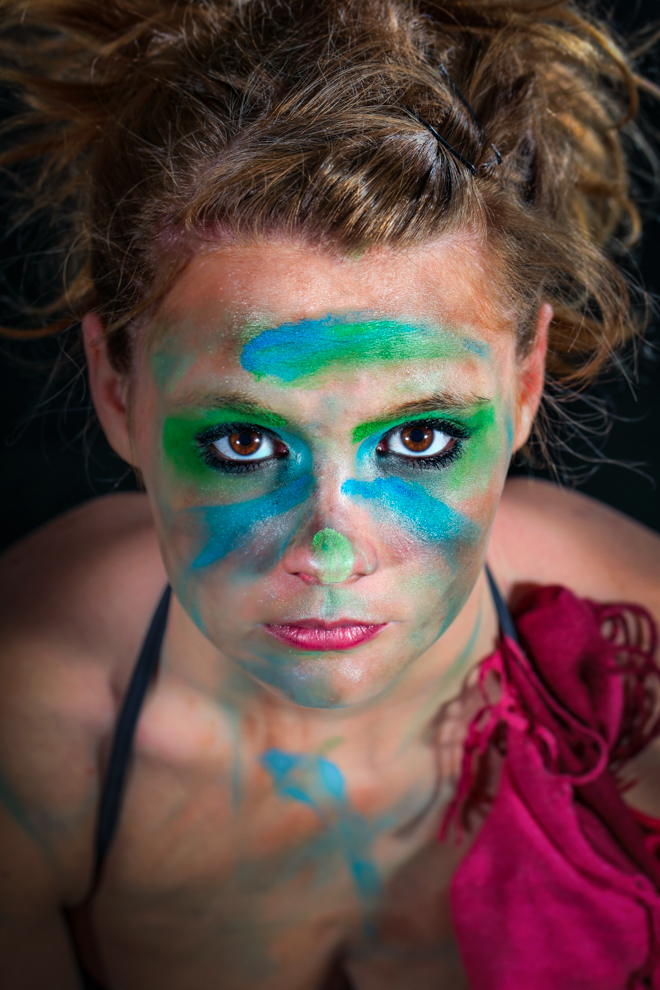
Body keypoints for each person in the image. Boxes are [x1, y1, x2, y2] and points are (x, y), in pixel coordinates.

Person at [1, 0, 660, 987]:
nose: (330, 549)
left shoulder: (637, 647)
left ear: (524, 382)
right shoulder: (30, 735)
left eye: (420, 438)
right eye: (244, 441)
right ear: (118, 390)